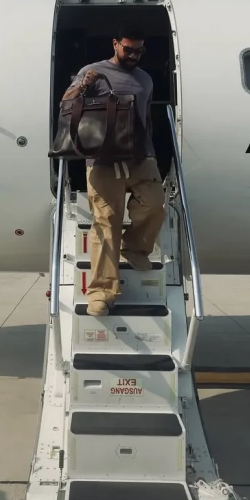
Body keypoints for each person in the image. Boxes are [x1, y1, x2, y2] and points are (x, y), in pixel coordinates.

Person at [63, 26, 166, 317]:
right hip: (103, 158)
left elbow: (147, 116)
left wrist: (151, 149)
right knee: (106, 221)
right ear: (115, 44)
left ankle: (134, 247)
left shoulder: (145, 79)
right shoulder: (93, 70)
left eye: (138, 51)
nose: (133, 55)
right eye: (128, 49)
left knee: (155, 205)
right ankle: (101, 293)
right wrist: (84, 85)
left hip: (141, 155)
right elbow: (67, 102)